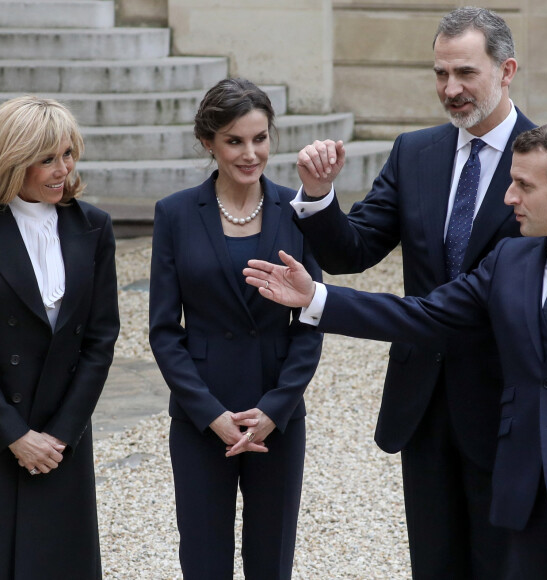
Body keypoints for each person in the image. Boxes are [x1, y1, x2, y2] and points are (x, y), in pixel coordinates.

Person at [245, 121, 547, 580]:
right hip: (523, 491)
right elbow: (425, 315)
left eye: (523, 185)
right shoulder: (511, 260)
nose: (509, 197)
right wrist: (317, 299)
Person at [289, 6, 534, 578]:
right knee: (434, 562)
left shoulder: (544, 157)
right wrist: (319, 197)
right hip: (422, 402)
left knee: (505, 564)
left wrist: (317, 303)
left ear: (507, 70)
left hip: (507, 405)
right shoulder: (414, 151)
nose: (451, 89)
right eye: (440, 73)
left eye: (466, 73)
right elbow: (351, 252)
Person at [148, 77, 323, 580]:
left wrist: (275, 407)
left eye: (260, 138)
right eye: (235, 140)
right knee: (203, 561)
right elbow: (164, 330)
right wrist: (209, 414)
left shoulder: (298, 211)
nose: (251, 153)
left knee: (272, 560)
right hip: (203, 417)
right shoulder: (175, 214)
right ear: (208, 141)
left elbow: (312, 320)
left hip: (277, 416)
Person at [0, 96, 120, 579]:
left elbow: (100, 338)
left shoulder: (94, 226)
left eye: (68, 154)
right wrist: (15, 435)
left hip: (61, 436)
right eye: (46, 158)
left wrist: (60, 435)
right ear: (14, 160)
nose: (62, 170)